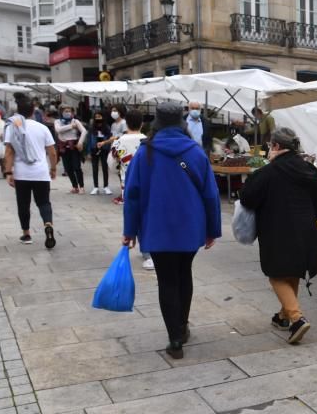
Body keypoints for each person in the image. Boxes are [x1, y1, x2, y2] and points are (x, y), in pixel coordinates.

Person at [122, 101, 221, 359]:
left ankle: (174, 338)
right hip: (191, 226)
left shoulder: (145, 154)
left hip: (156, 227)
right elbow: (211, 195)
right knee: (183, 273)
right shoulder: (196, 153)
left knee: (166, 280)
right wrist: (212, 229)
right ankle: (182, 325)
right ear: (182, 121)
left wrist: (129, 231)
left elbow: (132, 195)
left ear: (156, 121)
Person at [239, 127, 317, 345]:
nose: (269, 150)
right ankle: (283, 316)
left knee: (276, 274)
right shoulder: (309, 170)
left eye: (269, 146)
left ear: (276, 146)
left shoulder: (266, 174)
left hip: (277, 231)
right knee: (292, 271)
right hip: (306, 231)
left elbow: (247, 199)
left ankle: (296, 318)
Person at [3, 97, 58, 248]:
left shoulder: (12, 127)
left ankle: (26, 234)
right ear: (33, 111)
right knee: (44, 202)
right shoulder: (42, 128)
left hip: (22, 173)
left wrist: (8, 172)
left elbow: (9, 151)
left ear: (17, 112)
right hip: (40, 172)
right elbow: (52, 152)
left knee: (23, 204)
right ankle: (48, 224)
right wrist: (53, 168)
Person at [112, 109, 154, 271]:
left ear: (126, 122)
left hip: (127, 182)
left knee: (132, 214)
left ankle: (135, 240)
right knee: (146, 217)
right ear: (142, 122)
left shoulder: (118, 142)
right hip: (149, 183)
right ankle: (147, 252)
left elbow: (112, 163)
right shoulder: (149, 141)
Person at [55, 106, 87, 194]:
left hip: (74, 147)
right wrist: (71, 126)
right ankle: (74, 186)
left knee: (77, 167)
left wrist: (80, 142)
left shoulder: (75, 121)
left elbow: (84, 131)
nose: (67, 112)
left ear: (72, 112)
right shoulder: (57, 121)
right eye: (65, 111)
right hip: (63, 148)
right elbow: (58, 130)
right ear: (61, 112)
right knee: (68, 168)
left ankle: (81, 186)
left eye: (69, 111)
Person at [88, 111, 113, 195]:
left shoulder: (107, 127)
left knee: (105, 168)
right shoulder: (92, 127)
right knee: (95, 168)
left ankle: (106, 186)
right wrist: (88, 151)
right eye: (96, 116)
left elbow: (110, 138)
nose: (98, 118)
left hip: (105, 149)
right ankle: (95, 187)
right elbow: (89, 140)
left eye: (99, 116)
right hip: (94, 149)